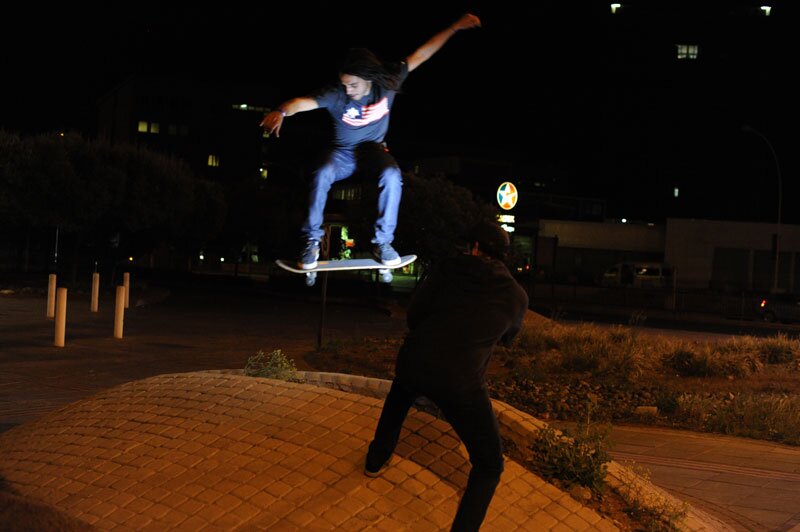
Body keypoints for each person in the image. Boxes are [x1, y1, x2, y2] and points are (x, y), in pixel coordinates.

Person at [260, 13, 482, 270]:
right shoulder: (335, 94)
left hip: (373, 152)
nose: (348, 91)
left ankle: (383, 243)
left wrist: (454, 27)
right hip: (341, 154)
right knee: (321, 173)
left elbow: (422, 54)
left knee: (391, 174)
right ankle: (310, 242)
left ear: (368, 79)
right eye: (344, 85)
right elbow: (302, 102)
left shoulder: (388, 82)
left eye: (352, 85)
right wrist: (282, 111)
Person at [365, 221, 529, 531]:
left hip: (416, 361)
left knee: (400, 393)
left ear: (476, 248)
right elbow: (508, 338)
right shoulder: (517, 296)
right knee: (489, 464)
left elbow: (415, 315)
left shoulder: (447, 268)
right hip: (462, 382)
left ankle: (376, 458)